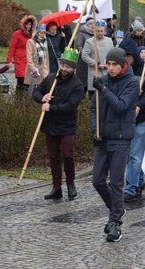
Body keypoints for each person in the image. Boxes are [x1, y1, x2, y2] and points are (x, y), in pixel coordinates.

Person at [90, 48, 139, 242]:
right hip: (103, 138)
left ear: (122, 65)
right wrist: (94, 130)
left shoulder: (132, 82)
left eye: (114, 65)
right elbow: (93, 109)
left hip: (120, 137)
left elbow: (120, 106)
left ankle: (115, 222)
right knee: (97, 180)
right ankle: (117, 210)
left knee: (117, 183)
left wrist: (103, 89)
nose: (110, 68)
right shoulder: (104, 81)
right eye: (108, 64)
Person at [32, 48, 85, 201]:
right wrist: (42, 98)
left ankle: (70, 184)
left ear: (73, 68)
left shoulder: (78, 85)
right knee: (53, 156)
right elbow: (36, 91)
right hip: (51, 124)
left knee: (67, 155)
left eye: (67, 67)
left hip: (67, 125)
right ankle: (56, 187)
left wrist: (51, 108)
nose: (64, 69)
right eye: (62, 65)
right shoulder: (50, 79)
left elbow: (71, 106)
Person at [118, 38, 145, 203]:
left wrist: (140, 104)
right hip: (125, 117)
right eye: (123, 56)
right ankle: (139, 181)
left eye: (128, 56)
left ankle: (130, 188)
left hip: (142, 118)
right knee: (129, 155)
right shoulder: (121, 71)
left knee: (135, 154)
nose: (126, 59)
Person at [81, 20, 115, 99]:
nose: (99, 33)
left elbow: (113, 54)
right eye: (97, 31)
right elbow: (84, 56)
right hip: (95, 73)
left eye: (101, 31)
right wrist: (96, 63)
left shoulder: (109, 41)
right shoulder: (89, 42)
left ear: (105, 30)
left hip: (108, 73)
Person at [7, 14, 36, 91]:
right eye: (27, 24)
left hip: (29, 60)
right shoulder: (17, 34)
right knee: (21, 81)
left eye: (30, 24)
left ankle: (25, 100)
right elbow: (12, 47)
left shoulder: (32, 35)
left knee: (28, 83)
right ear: (24, 24)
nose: (28, 26)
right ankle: (19, 99)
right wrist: (9, 60)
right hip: (20, 60)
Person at [25, 23, 50, 91]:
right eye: (41, 33)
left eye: (44, 33)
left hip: (43, 69)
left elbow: (46, 56)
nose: (42, 34)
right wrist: (33, 68)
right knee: (33, 89)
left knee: (44, 88)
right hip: (35, 69)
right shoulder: (30, 42)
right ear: (37, 33)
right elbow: (29, 56)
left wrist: (47, 68)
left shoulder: (45, 42)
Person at [74, 18, 97, 92]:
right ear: (87, 25)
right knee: (83, 79)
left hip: (93, 59)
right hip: (83, 61)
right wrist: (85, 53)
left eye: (94, 24)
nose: (92, 25)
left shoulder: (96, 34)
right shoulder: (82, 34)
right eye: (90, 24)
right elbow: (78, 45)